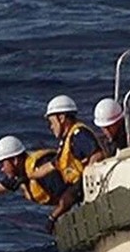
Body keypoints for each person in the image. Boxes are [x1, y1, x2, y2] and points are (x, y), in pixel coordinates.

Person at [28, 94, 106, 232]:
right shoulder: (66, 142)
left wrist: (87, 180)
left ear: (62, 118)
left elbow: (97, 155)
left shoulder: (78, 134)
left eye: (52, 122)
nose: (51, 127)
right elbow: (51, 166)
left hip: (89, 188)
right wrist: (30, 176)